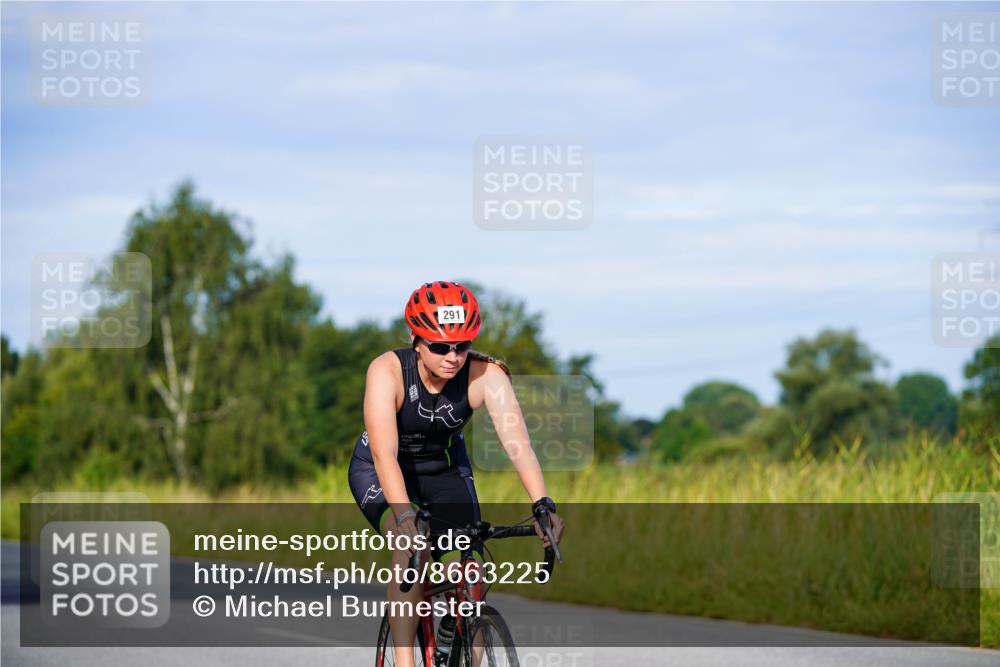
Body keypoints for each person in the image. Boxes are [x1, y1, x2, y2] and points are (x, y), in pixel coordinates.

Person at [348, 280, 565, 667]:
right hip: (383, 471)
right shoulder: (387, 371)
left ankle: (467, 653)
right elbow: (385, 455)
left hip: (445, 471)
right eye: (440, 346)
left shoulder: (486, 376)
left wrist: (542, 504)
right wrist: (405, 516)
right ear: (418, 342)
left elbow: (518, 446)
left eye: (462, 346)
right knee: (409, 547)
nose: (453, 356)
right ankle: (404, 661)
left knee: (469, 572)